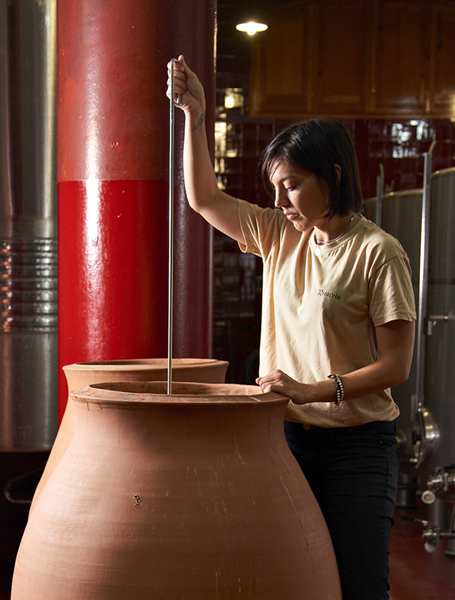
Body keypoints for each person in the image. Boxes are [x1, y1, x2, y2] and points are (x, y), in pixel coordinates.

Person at [167, 55, 416, 600]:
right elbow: (203, 199)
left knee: (359, 587)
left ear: (333, 176)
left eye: (292, 186)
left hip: (358, 447)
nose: (279, 202)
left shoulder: (379, 253)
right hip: (283, 441)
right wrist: (195, 118)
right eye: (274, 188)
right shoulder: (282, 235)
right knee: (286, 581)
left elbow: (397, 365)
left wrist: (311, 390)